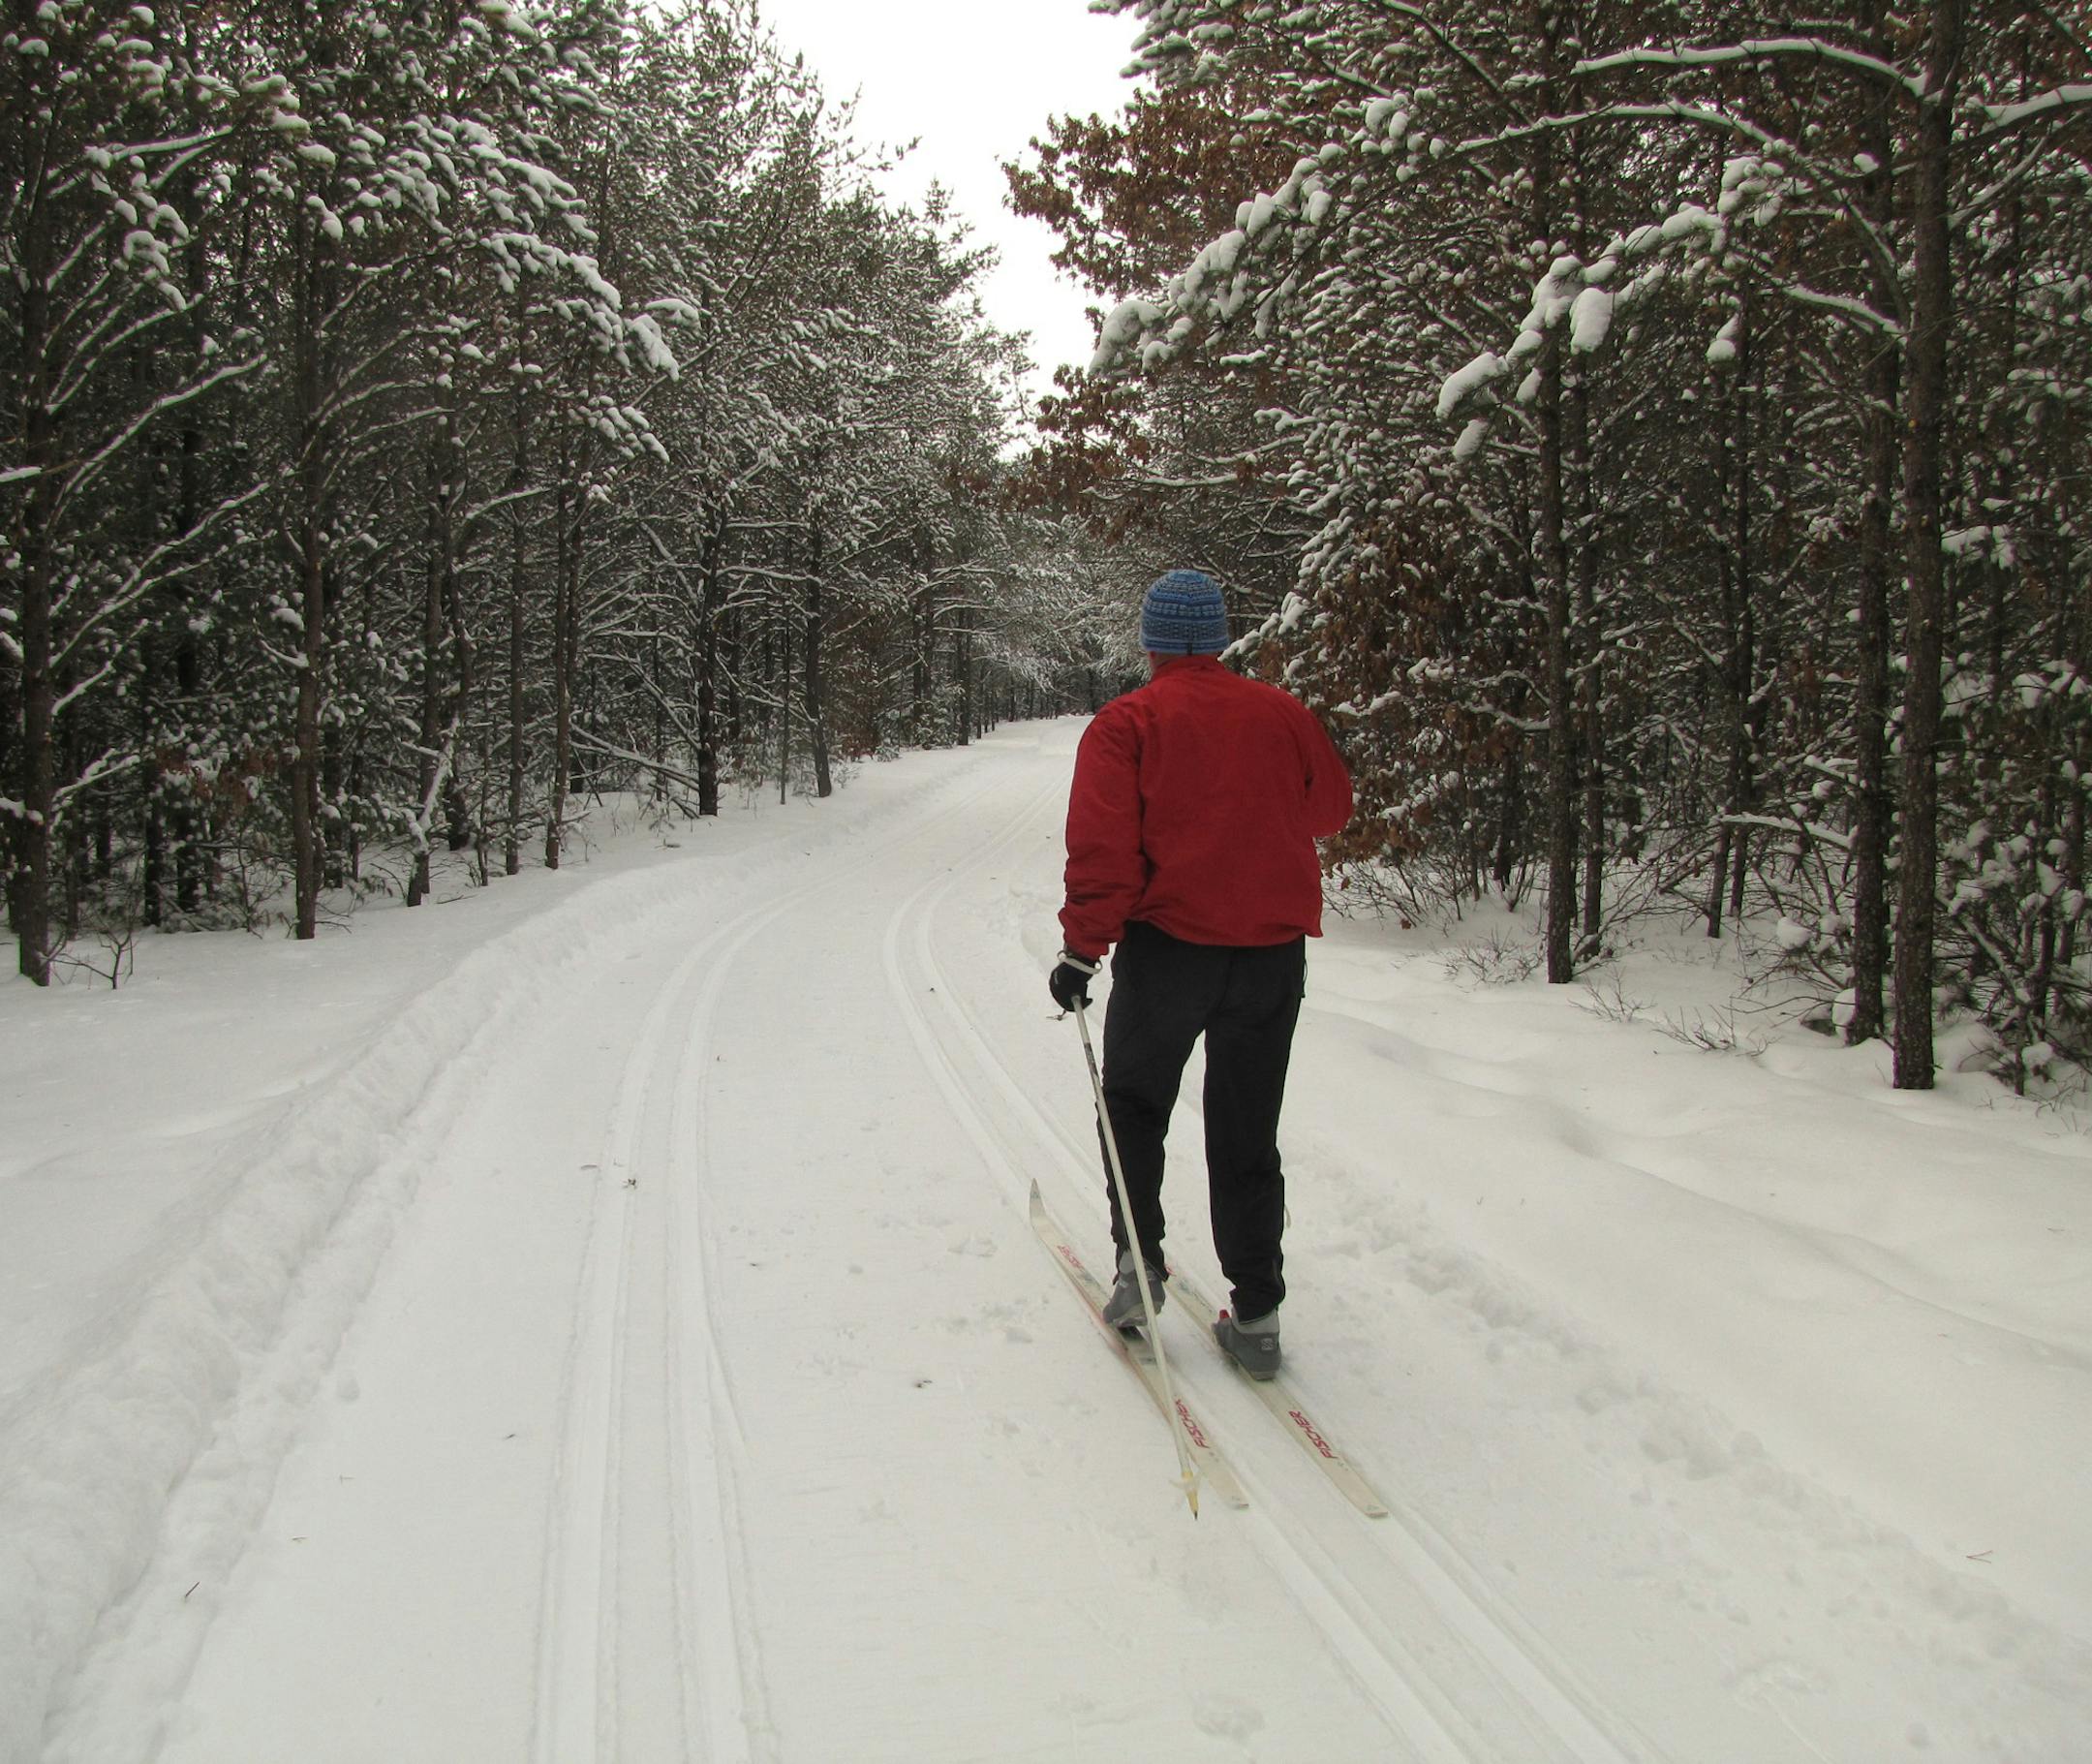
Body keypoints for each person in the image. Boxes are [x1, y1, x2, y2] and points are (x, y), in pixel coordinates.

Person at [1048, 570, 1353, 1379]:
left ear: (1152, 641)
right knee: (1247, 1127)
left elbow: (1105, 847)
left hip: (1169, 954)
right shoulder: (1282, 713)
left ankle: (1138, 1272)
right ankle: (1257, 1314)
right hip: (1270, 957)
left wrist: (1084, 949)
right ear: (1219, 638)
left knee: (1137, 1107)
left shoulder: (1128, 723)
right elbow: (1330, 812)